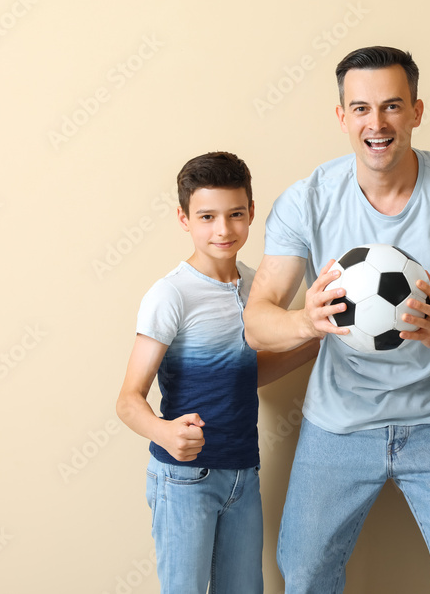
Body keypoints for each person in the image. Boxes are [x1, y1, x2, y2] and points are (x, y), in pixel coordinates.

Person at [243, 46, 430, 593]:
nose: (377, 123)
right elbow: (257, 321)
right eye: (361, 108)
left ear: (416, 111)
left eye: (392, 106)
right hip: (337, 420)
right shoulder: (308, 199)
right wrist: (309, 321)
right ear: (342, 117)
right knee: (304, 571)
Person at [115, 152, 318, 594]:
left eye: (235, 215)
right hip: (186, 477)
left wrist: (315, 343)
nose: (223, 230)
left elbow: (249, 374)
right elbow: (128, 400)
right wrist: (164, 432)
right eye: (206, 216)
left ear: (251, 212)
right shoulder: (170, 295)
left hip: (244, 471)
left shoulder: (255, 287)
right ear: (184, 218)